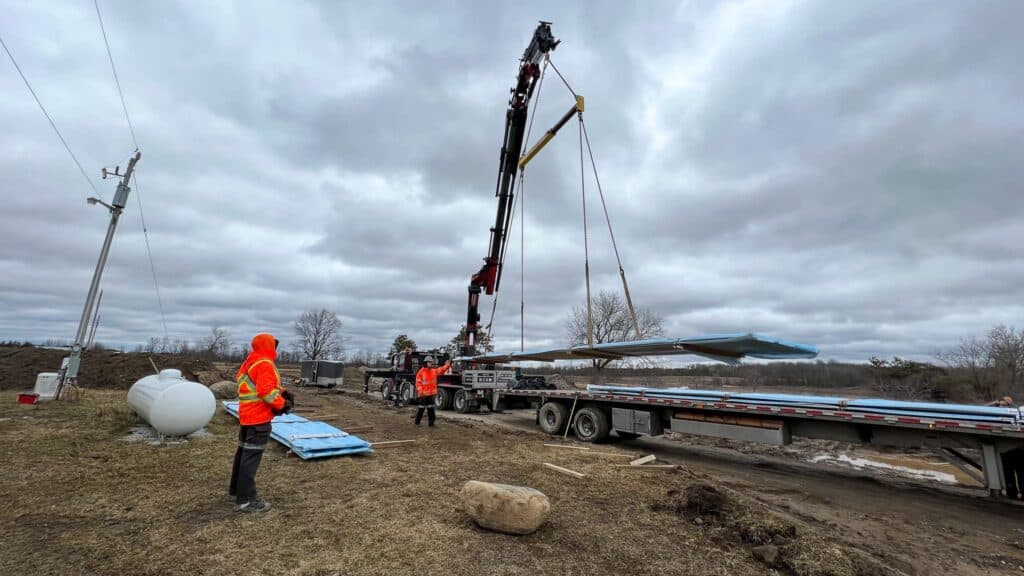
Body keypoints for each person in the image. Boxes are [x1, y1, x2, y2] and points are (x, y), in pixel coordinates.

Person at [228, 333, 293, 513]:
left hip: (247, 417)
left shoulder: (250, 361)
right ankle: (246, 500)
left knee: (242, 455)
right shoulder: (265, 364)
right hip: (259, 419)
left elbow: (254, 384)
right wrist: (283, 404)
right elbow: (266, 392)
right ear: (268, 347)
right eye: (273, 346)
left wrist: (281, 390)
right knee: (251, 459)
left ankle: (235, 491)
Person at [414, 356, 450, 426]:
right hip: (423, 395)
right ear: (425, 363)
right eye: (429, 362)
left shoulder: (433, 371)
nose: (430, 363)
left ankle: (431, 423)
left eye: (431, 362)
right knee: (421, 409)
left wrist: (447, 365)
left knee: (431, 409)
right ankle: (417, 422)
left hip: (430, 394)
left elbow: (441, 370)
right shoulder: (421, 372)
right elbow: (418, 383)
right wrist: (421, 391)